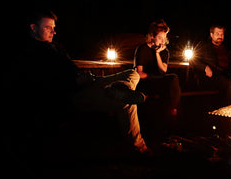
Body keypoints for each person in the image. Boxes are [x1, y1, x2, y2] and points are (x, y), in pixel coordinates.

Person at [12, 9, 149, 155]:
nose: (54, 32)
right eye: (48, 28)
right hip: (73, 95)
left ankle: (121, 87)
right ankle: (139, 148)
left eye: (54, 28)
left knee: (132, 73)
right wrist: (75, 82)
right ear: (33, 28)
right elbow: (44, 86)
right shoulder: (30, 55)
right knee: (126, 101)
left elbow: (70, 68)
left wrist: (83, 76)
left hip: (87, 82)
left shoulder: (56, 47)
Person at [134, 19, 181, 120]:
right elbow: (139, 73)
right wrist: (153, 77)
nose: (163, 41)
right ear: (152, 36)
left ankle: (174, 109)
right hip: (145, 82)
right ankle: (169, 113)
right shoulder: (142, 49)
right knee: (166, 89)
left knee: (173, 78)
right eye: (160, 37)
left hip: (158, 81)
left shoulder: (164, 51)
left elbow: (163, 71)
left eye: (164, 38)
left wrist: (157, 53)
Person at [194, 24, 231, 106]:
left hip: (226, 74)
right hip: (212, 76)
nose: (220, 36)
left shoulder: (227, 48)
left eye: (222, 34)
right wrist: (205, 67)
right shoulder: (204, 46)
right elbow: (193, 60)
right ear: (211, 35)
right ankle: (225, 109)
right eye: (217, 34)